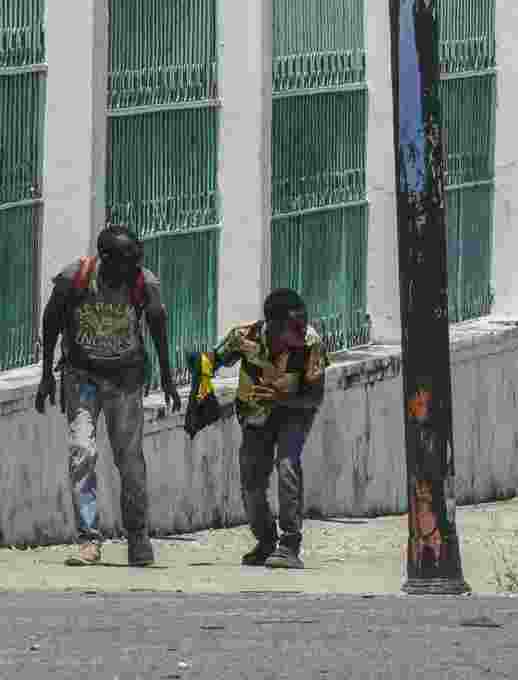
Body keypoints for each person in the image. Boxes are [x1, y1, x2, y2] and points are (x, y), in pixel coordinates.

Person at [34, 225, 182, 567]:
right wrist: (45, 377)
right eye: (125, 263)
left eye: (136, 262)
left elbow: (158, 325)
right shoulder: (75, 278)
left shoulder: (145, 283)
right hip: (80, 376)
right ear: (104, 259)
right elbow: (51, 321)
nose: (133, 270)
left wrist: (168, 377)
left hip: (125, 381)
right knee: (82, 452)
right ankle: (89, 540)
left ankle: (138, 536)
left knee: (129, 462)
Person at [209, 289, 328, 569]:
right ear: (272, 325)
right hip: (255, 415)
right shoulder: (244, 337)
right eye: (294, 326)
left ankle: (289, 544)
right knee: (251, 480)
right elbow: (213, 360)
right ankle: (265, 541)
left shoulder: (311, 342)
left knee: (287, 466)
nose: (302, 330)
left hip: (294, 412)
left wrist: (281, 397)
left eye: (304, 322)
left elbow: (315, 396)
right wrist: (200, 383)